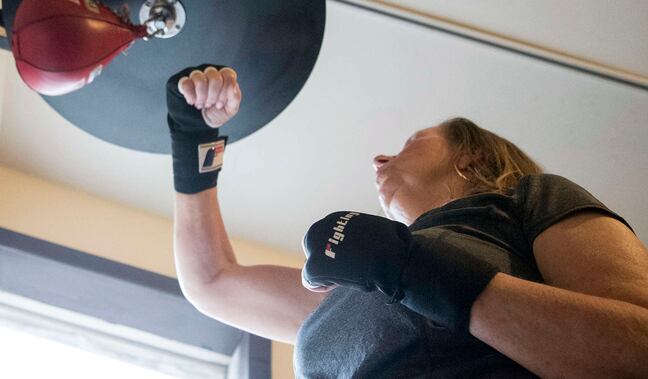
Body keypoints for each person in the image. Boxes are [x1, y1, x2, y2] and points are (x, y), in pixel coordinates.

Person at [165, 65, 648, 378]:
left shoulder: (529, 200)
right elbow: (213, 283)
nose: (380, 158)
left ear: (473, 154)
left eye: (412, 140)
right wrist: (195, 143)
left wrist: (411, 270)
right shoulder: (365, 284)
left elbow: (637, 348)